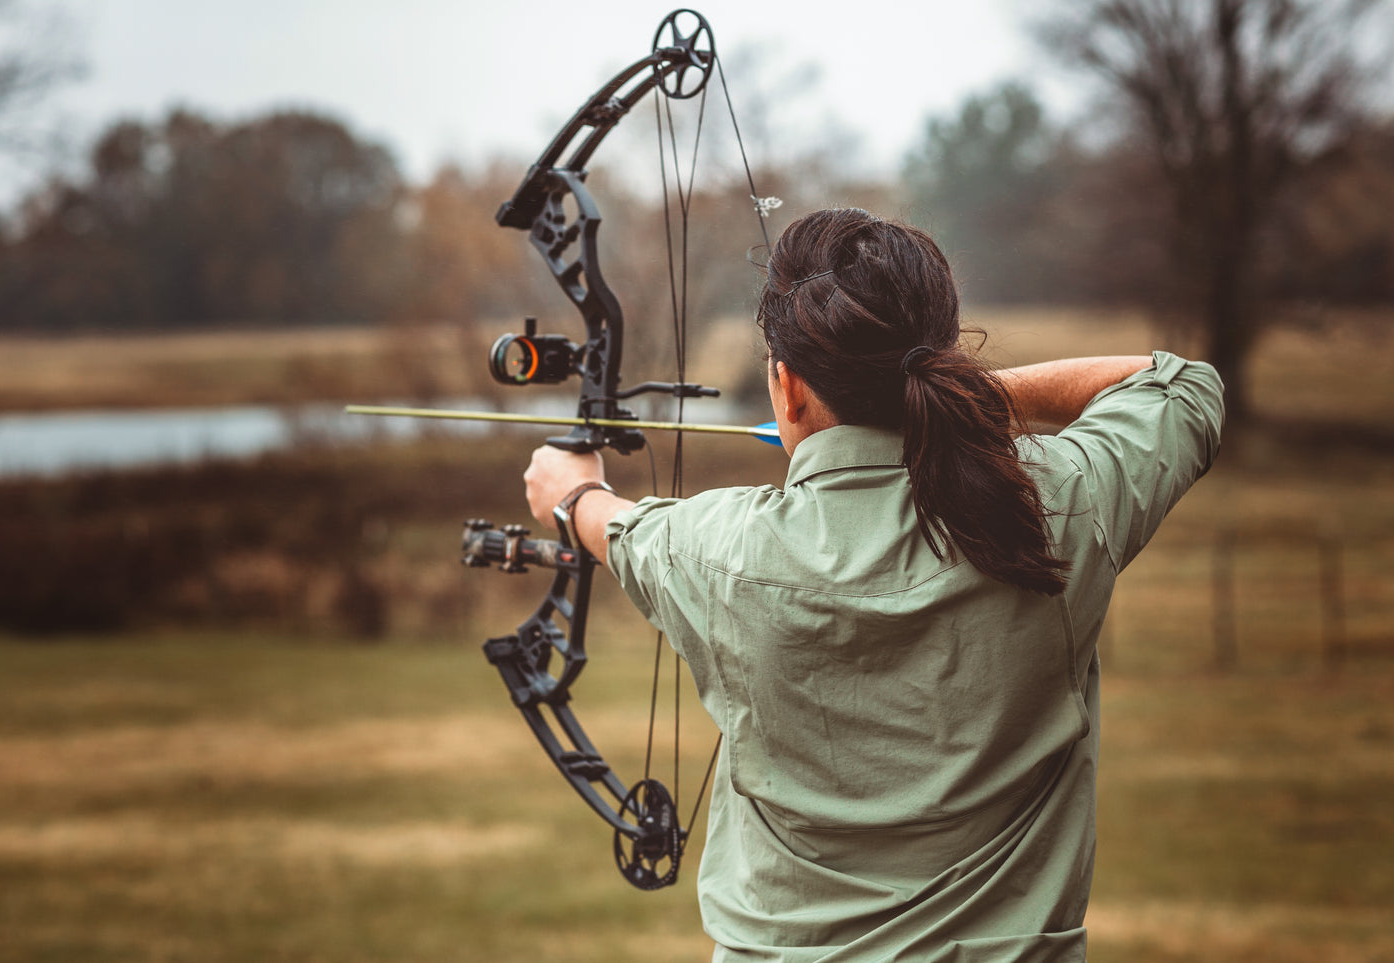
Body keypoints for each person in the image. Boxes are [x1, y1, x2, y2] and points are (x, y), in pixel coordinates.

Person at [523, 208, 1224, 961]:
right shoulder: (1056, 505)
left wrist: (568, 494)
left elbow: (596, 514)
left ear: (786, 386)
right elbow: (1179, 386)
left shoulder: (711, 549)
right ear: (942, 360)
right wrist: (970, 402)